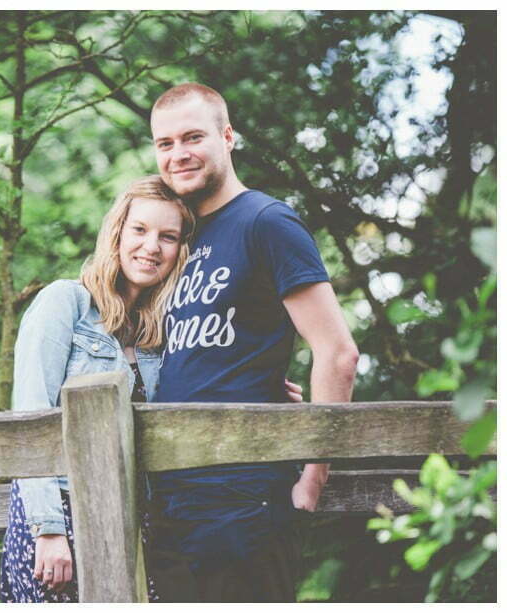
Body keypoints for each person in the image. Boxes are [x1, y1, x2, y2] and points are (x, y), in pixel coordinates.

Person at [0, 175, 303, 602]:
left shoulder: (164, 332)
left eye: (168, 236)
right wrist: (47, 530)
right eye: (140, 230)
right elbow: (28, 421)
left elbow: (198, 391)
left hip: (133, 516)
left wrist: (262, 391)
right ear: (117, 233)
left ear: (181, 250)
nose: (151, 246)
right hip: (60, 512)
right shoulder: (65, 303)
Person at [143, 82, 360, 602]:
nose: (179, 155)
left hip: (244, 498)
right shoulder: (179, 235)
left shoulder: (267, 222)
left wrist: (312, 479)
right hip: (172, 499)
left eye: (193, 137)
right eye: (165, 143)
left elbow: (337, 352)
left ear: (228, 136)